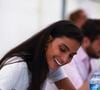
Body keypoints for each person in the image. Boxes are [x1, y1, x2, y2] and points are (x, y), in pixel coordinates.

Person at [0, 20, 83, 90]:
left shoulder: (49, 64)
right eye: (62, 49)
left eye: (71, 55)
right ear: (48, 40)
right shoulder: (17, 66)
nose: (64, 59)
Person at [61, 19, 100, 90]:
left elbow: (95, 88)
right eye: (99, 44)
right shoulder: (70, 59)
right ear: (86, 41)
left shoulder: (92, 60)